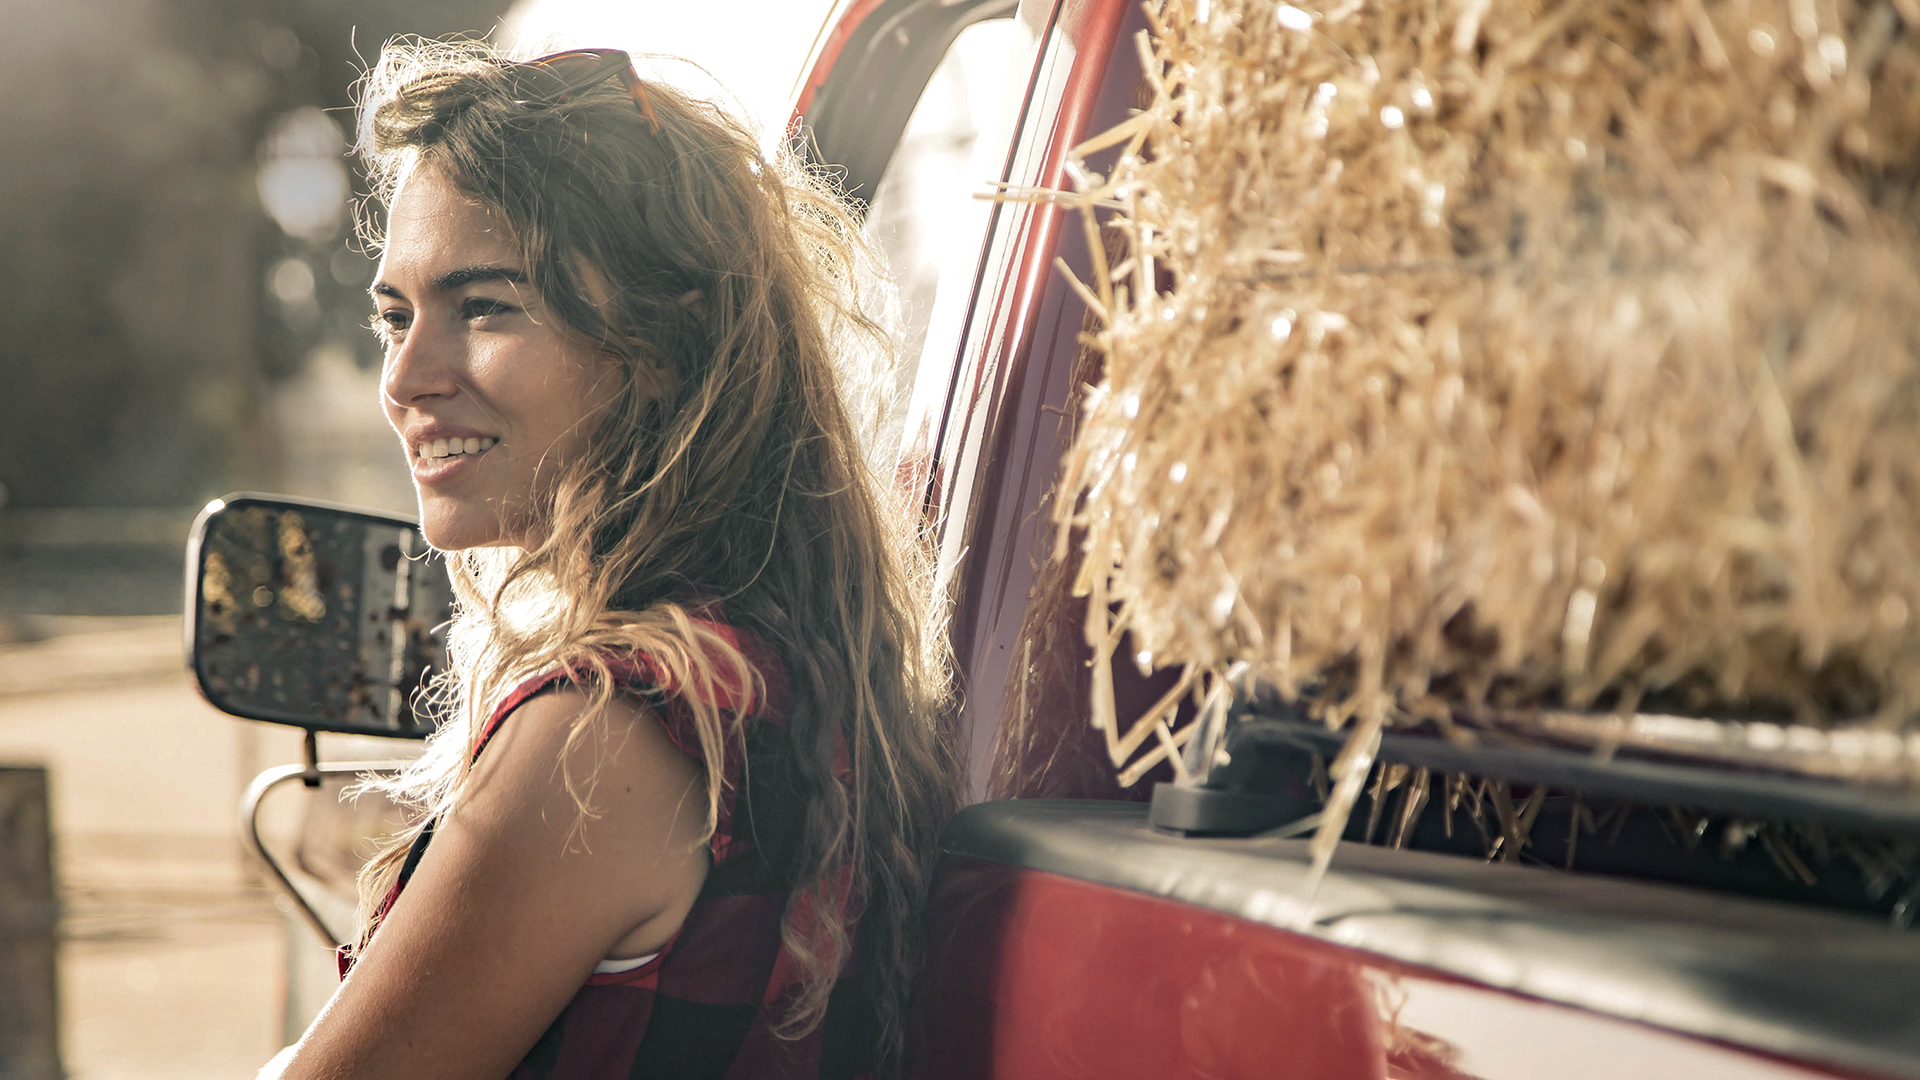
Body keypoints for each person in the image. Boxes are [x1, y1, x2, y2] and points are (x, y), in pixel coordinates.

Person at [264, 40, 956, 1080]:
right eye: (394, 316)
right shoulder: (791, 666)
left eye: (485, 306)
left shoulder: (601, 729)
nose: (404, 379)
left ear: (663, 342)